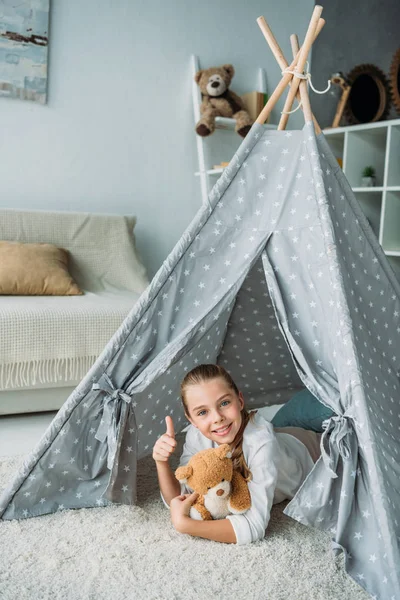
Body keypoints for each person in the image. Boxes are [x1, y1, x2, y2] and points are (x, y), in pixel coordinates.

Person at [152, 363, 322, 545]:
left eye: (224, 403)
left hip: (311, 449)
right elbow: (182, 497)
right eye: (202, 412)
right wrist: (160, 462)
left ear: (240, 400)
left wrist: (186, 525)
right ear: (191, 420)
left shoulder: (261, 444)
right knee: (279, 423)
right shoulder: (197, 436)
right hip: (281, 434)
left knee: (327, 405)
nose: (217, 417)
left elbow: (253, 525)